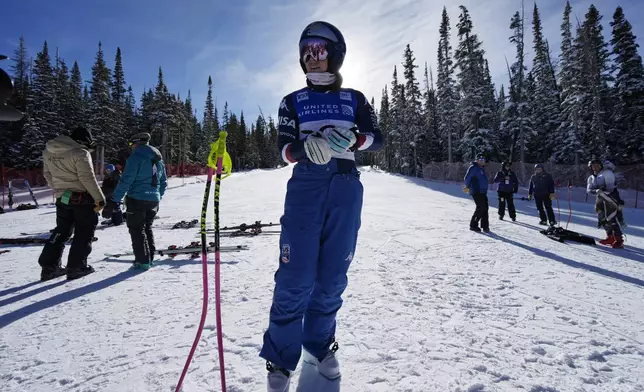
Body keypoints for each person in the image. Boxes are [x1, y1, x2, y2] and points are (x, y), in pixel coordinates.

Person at [259, 21, 384, 391]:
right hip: (306, 187)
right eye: (306, 52)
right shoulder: (292, 101)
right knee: (295, 278)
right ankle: (281, 360)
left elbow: (377, 138)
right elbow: (283, 148)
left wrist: (357, 138)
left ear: (336, 53)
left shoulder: (356, 99)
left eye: (319, 49)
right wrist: (303, 148)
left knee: (331, 279)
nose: (312, 58)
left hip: (345, 186)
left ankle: (320, 345)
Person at [39, 126, 105, 281]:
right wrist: (100, 198)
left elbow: (47, 174)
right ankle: (76, 267)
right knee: (84, 232)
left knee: (61, 231)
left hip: (63, 198)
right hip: (83, 199)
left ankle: (49, 267)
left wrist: (59, 190)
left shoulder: (48, 151)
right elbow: (87, 178)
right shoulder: (80, 152)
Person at [102, 133, 167, 269]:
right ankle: (149, 258)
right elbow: (163, 182)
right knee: (147, 228)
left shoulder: (136, 157)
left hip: (137, 198)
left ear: (138, 143)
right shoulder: (158, 160)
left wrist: (114, 200)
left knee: (137, 229)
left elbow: (126, 180)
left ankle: (142, 261)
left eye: (131, 144)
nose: (131, 147)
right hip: (153, 200)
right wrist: (156, 196)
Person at [587, 158, 624, 248]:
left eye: (597, 165)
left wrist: (602, 189)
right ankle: (610, 236)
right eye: (593, 166)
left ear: (601, 165)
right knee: (602, 218)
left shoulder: (607, 173)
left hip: (611, 197)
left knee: (611, 217)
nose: (595, 167)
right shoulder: (591, 178)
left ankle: (619, 240)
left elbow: (611, 188)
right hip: (600, 199)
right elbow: (588, 190)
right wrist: (596, 191)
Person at [464, 155, 490, 233]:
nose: (482, 161)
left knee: (485, 208)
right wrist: (467, 186)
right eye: (480, 159)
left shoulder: (481, 168)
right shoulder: (473, 168)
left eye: (483, 159)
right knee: (481, 208)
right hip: (476, 190)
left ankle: (485, 226)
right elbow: (467, 178)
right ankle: (473, 225)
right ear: (476, 160)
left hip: (483, 191)